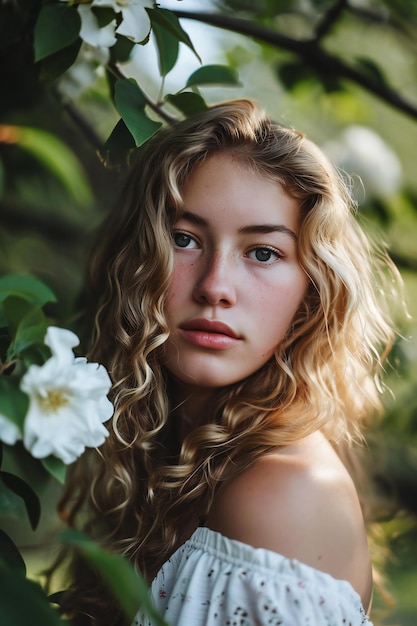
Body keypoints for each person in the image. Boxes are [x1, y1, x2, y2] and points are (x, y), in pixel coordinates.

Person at [57, 99, 400, 626]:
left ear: (312, 291)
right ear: (137, 259)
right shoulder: (180, 463)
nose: (215, 286)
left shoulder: (281, 494)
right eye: (184, 239)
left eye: (262, 252)